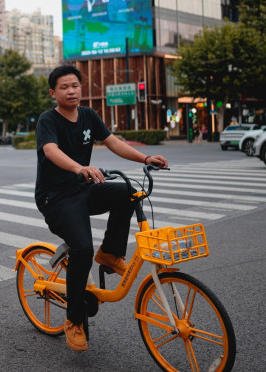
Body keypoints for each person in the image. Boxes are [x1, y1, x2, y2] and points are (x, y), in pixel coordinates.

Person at [35, 65, 168, 352]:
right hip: (56, 198)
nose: (71, 91)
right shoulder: (48, 120)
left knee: (127, 192)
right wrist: (79, 167)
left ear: (81, 88)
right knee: (82, 248)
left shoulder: (89, 116)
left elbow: (113, 143)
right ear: (53, 92)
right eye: (64, 87)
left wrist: (145, 158)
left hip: (84, 189)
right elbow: (51, 151)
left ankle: (110, 253)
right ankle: (74, 320)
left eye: (75, 85)